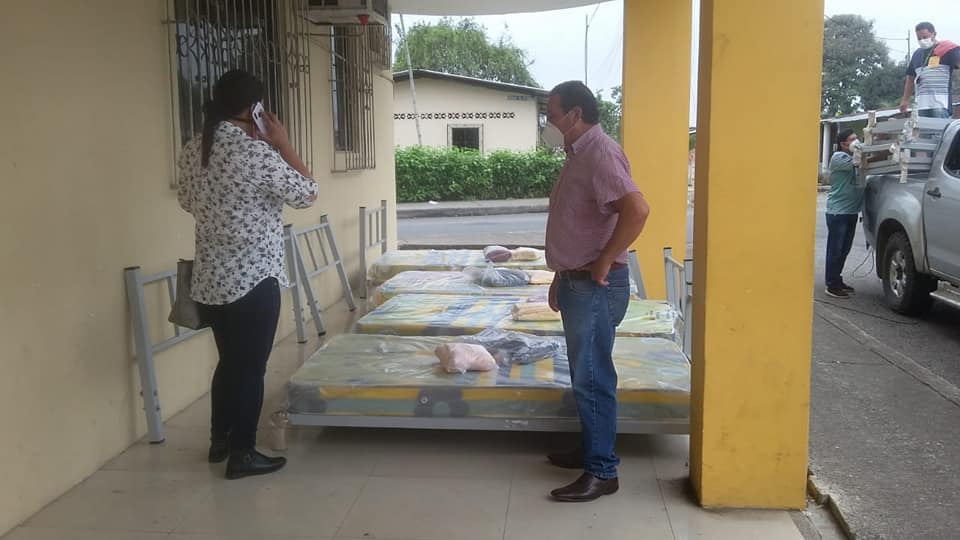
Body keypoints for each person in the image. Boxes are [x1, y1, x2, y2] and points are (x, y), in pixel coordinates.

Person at [177, 70, 318, 479]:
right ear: (255, 110)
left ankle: (219, 442)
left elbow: (186, 200)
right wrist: (283, 143)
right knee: (251, 369)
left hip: (211, 278)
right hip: (254, 279)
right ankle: (243, 453)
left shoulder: (194, 149)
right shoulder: (256, 153)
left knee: (229, 363)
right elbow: (308, 193)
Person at [542, 81, 650, 502]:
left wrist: (605, 259)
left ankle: (603, 470)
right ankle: (592, 449)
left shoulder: (600, 153)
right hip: (577, 281)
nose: (548, 123)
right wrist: (560, 273)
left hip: (595, 286)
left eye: (552, 116)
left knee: (593, 377)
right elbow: (579, 222)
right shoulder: (577, 154)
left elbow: (637, 209)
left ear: (575, 114)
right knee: (584, 373)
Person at [824, 129, 862, 299]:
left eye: (857, 138)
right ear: (843, 144)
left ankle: (837, 279)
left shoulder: (854, 157)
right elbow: (862, 161)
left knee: (844, 249)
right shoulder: (838, 158)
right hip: (838, 213)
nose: (856, 141)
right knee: (835, 250)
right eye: (852, 139)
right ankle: (831, 285)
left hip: (851, 211)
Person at [899, 22, 960, 118]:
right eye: (919, 38)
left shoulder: (946, 49)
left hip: (940, 105)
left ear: (934, 34)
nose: (922, 40)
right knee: (921, 128)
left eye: (925, 37)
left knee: (939, 128)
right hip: (921, 106)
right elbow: (910, 78)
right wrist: (905, 100)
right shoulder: (917, 54)